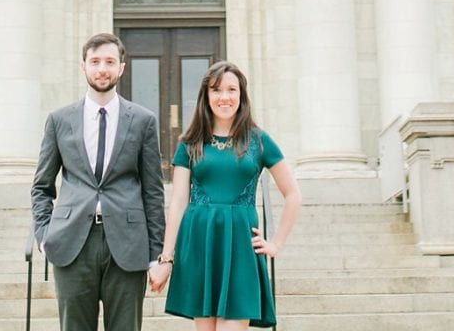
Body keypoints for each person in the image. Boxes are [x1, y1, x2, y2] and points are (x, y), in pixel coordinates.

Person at [149, 60, 301, 330]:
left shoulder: (258, 140)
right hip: (199, 242)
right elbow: (178, 202)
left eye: (232, 90)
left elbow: (293, 194)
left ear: (241, 95)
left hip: (241, 245)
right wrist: (166, 258)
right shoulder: (190, 142)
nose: (224, 97)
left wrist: (275, 243)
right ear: (206, 97)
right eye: (217, 90)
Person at [32, 32, 165, 331]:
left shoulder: (143, 121)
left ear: (121, 68)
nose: (102, 68)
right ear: (83, 67)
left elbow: (153, 192)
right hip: (71, 242)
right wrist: (43, 233)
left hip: (128, 244)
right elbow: (41, 186)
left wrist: (157, 254)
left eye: (109, 61)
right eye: (95, 61)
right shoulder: (59, 120)